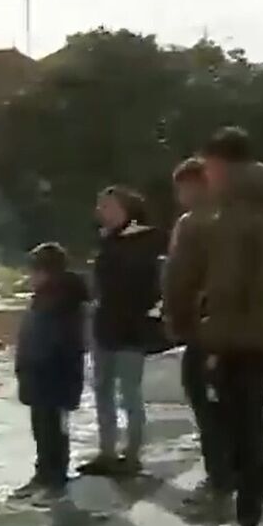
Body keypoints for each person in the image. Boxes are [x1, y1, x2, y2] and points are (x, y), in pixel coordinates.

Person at [191, 127, 263, 526]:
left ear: (222, 165)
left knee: (243, 428)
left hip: (240, 336)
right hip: (256, 333)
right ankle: (252, 514)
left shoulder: (239, 212)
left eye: (208, 167)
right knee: (248, 425)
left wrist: (211, 332)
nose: (206, 176)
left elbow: (230, 284)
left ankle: (248, 521)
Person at [162, 157, 232, 518]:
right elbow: (179, 275)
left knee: (214, 412)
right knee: (206, 410)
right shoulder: (188, 223)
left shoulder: (219, 223)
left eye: (186, 186)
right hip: (195, 331)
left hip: (213, 333)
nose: (181, 195)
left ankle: (222, 487)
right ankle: (219, 480)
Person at [82, 186, 167, 477]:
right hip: (104, 324)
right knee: (102, 389)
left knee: (129, 391)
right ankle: (107, 452)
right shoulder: (107, 240)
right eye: (99, 207)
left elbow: (156, 283)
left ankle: (132, 453)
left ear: (124, 208)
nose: (100, 212)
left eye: (106, 206)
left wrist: (152, 314)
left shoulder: (147, 239)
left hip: (132, 326)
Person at [13, 243, 90, 506]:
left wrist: (38, 362)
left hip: (55, 375)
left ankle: (56, 478)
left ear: (46, 272)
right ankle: (44, 473)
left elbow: (62, 342)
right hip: (39, 375)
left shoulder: (63, 301)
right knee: (42, 426)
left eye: (34, 271)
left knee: (55, 429)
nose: (30, 277)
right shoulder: (44, 297)